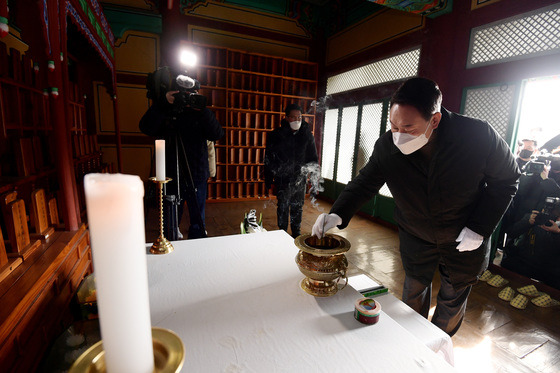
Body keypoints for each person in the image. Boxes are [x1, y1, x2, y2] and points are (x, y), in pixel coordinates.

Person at [312, 77, 520, 336]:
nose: (398, 135)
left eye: (408, 128)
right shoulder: (388, 145)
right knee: (413, 291)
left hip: (464, 237)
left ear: (434, 120)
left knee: (452, 297)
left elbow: (507, 180)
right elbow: (366, 181)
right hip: (416, 234)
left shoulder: (477, 136)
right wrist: (337, 213)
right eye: (393, 125)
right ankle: (410, 342)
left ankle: (436, 349)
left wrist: (478, 228)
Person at [140, 66, 224, 239]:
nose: (186, 98)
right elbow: (146, 127)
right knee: (170, 219)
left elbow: (217, 134)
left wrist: (203, 110)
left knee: (197, 219)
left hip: (196, 174)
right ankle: (171, 239)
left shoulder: (199, 113)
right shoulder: (166, 109)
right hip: (171, 174)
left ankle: (197, 241)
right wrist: (163, 103)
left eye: (190, 94)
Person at [265, 104, 318, 238]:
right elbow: (269, 158)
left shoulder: (307, 135)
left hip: (300, 178)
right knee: (282, 206)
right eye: (293, 117)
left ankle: (296, 233)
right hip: (282, 178)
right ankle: (281, 233)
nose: (297, 120)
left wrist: (313, 178)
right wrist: (268, 179)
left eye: (299, 117)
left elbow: (313, 158)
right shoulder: (276, 135)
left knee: (297, 207)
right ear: (287, 118)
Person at [501, 206, 560, 289]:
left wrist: (558, 232)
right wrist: (527, 223)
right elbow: (510, 233)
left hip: (550, 271)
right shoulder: (535, 218)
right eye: (550, 215)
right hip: (524, 262)